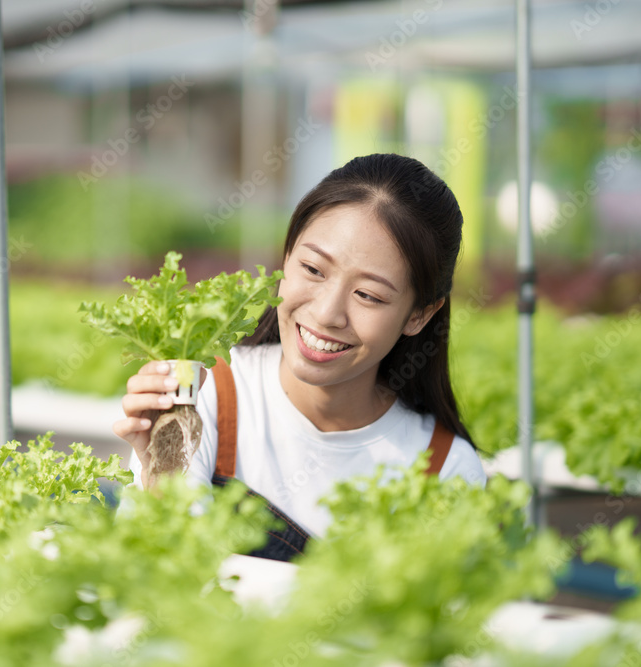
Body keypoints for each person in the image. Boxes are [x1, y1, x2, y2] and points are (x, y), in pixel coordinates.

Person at [114, 154, 486, 560]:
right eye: (313, 269)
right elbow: (154, 579)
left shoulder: (444, 467)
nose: (327, 313)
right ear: (285, 258)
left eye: (369, 295)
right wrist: (161, 474)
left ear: (419, 314)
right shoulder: (207, 396)